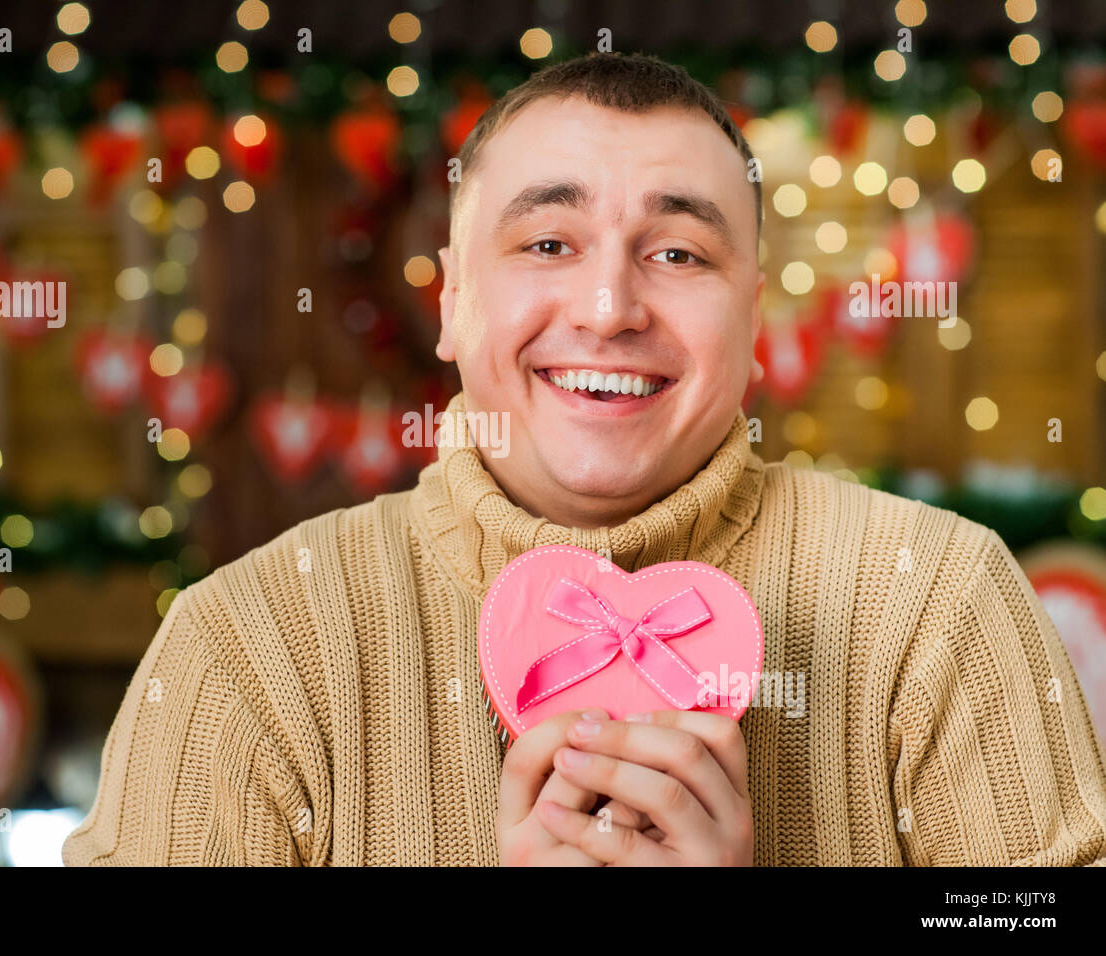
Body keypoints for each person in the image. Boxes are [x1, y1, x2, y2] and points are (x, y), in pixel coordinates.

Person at [62, 51, 1106, 866]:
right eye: (548, 243)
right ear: (453, 305)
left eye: (679, 253)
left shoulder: (939, 599)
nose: (609, 309)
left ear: (751, 325)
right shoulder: (247, 647)